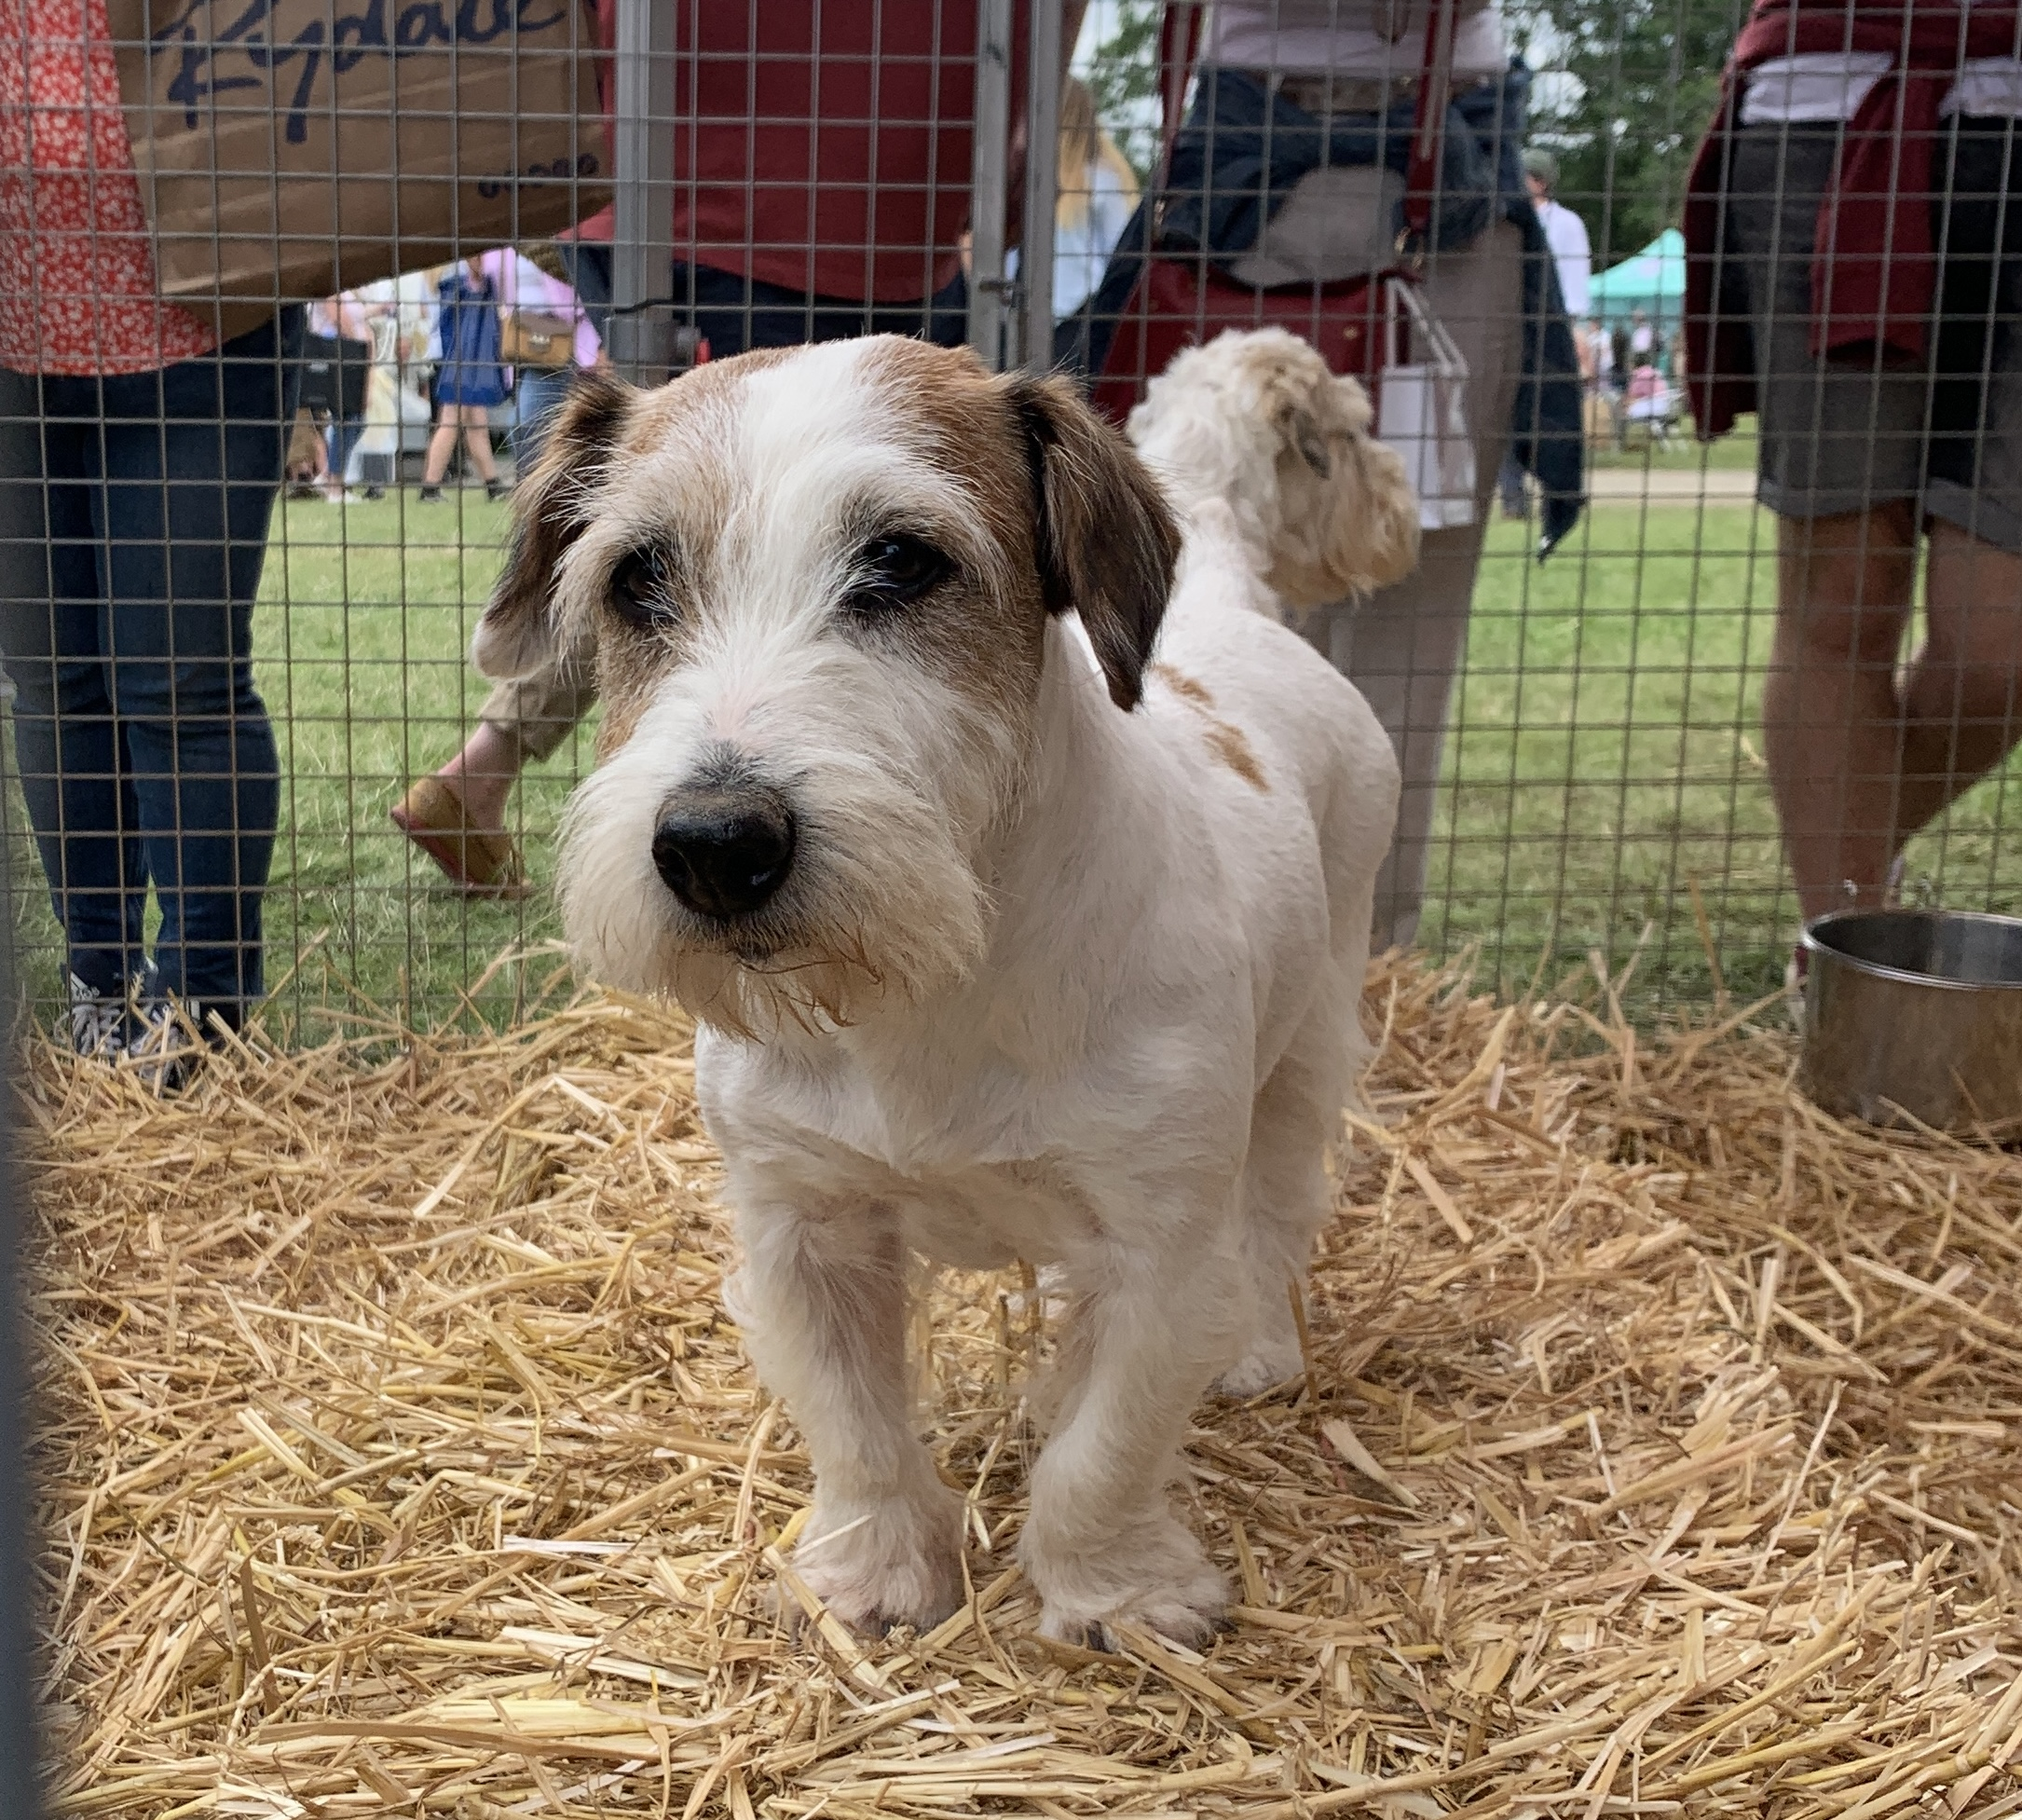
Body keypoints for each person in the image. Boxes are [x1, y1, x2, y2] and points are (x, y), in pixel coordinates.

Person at [392, 1, 1086, 897]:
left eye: (898, 563)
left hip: (695, 180)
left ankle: (486, 761)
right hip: (854, 194)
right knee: (725, 500)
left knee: (732, 505)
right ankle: (491, 753)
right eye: (640, 585)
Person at [1078, 0, 1586, 951]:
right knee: (1159, 602)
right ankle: (1141, 946)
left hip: (1449, 141)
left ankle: (1365, 958)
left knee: (1403, 637)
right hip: (1236, 144)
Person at [1686, 0, 2022, 968]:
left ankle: (1845, 899)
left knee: (1999, 648)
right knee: (1844, 592)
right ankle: (1845, 973)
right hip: (1821, 115)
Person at [0, 0, 300, 1077]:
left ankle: (200, 1018)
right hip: (13, 311)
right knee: (53, 679)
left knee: (182, 681)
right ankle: (103, 987)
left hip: (202, 299)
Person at [1501, 146, 1592, 514]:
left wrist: (1573, 329)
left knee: (1549, 409)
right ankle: (1512, 495)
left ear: (1538, 181)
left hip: (1551, 324)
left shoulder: (1566, 224)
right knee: (1506, 406)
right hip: (1510, 322)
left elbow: (1574, 278)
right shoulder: (1506, 219)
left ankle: (1558, 490)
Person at [1010, 76, 1141, 322]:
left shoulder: (1023, 182)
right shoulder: (1108, 178)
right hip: (1083, 315)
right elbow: (1123, 254)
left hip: (1019, 313)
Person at [417, 255, 508, 504]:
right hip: (462, 349)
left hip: (448, 347)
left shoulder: (436, 272)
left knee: (474, 418)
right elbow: (478, 269)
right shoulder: (458, 274)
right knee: (452, 418)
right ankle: (430, 486)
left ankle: (492, 484)